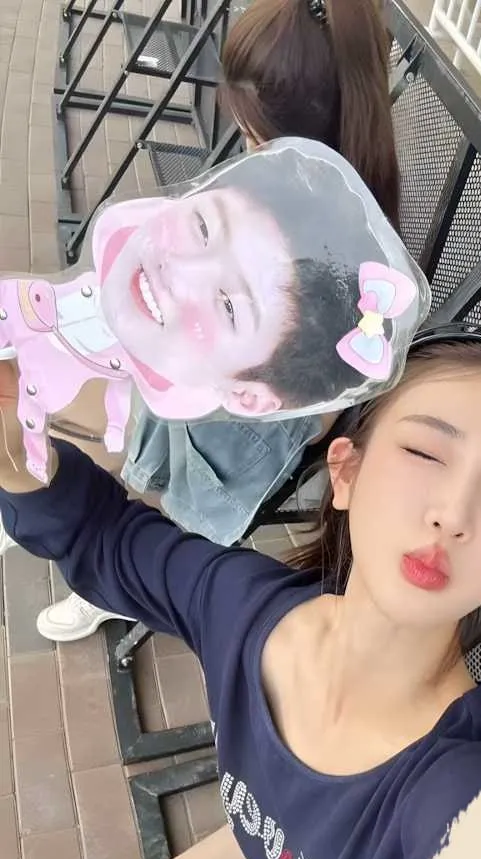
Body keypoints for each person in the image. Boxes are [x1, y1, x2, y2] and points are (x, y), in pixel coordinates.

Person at [0, 321, 481, 859]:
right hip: (275, 852)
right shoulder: (249, 613)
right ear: (346, 472)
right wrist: (14, 444)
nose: (453, 514)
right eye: (426, 453)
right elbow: (106, 536)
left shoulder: (464, 797)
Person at [0, 0, 401, 645]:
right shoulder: (293, 177)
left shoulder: (349, 258)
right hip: (201, 358)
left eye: (252, 135)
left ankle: (120, 580)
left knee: (184, 512)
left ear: (302, 138)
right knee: (120, 410)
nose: (242, 143)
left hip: (252, 418)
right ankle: (63, 498)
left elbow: (328, 395)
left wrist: (237, 372)